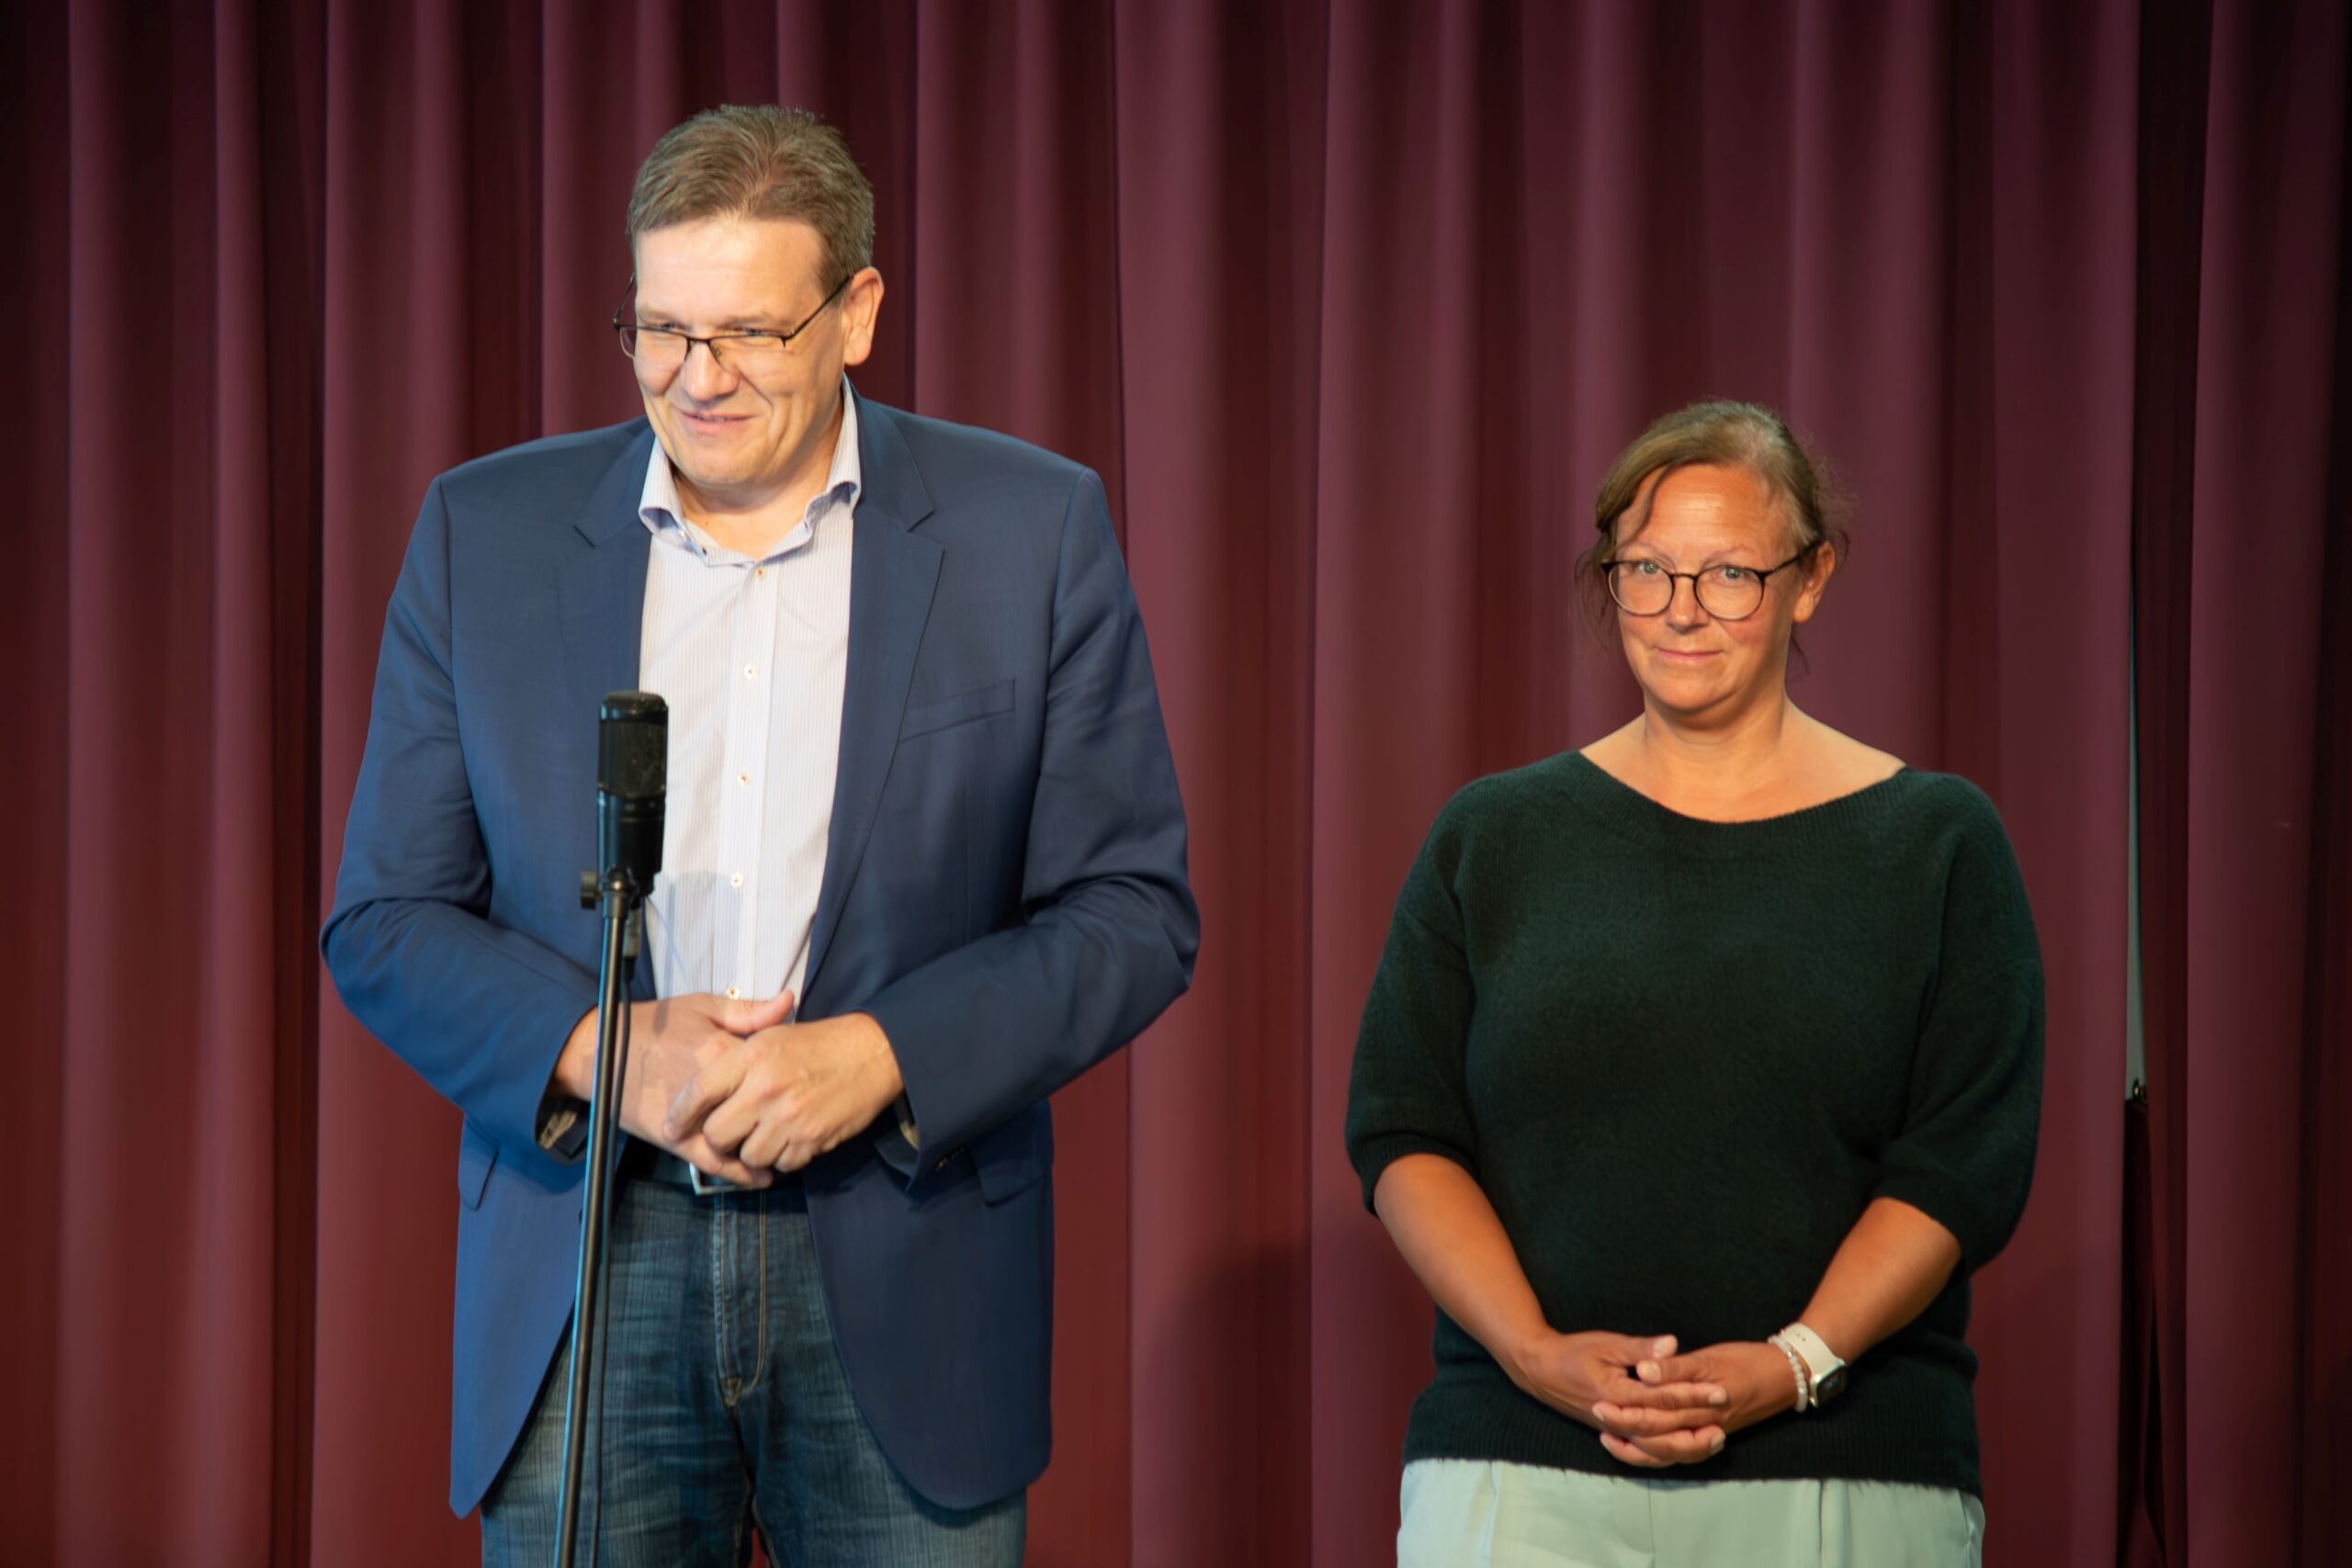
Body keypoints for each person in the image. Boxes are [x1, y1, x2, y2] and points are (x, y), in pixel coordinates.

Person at [322, 104, 1196, 1566]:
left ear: (857, 312)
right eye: (662, 330)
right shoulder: (485, 531)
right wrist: (612, 1049)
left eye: (747, 333)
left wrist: (881, 1052)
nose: (697, 377)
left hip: (906, 1243)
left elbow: (1132, 909)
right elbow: (385, 916)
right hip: (590, 1252)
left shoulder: (1030, 531)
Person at [1345, 400, 2042, 1567]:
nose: (1680, 610)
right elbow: (1402, 1127)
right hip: (1519, 1477)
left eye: (1727, 574)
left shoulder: (1937, 844)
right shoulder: (1493, 836)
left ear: (1809, 579)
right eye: (1646, 571)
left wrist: (1794, 1363)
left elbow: (1963, 1159)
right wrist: (1532, 1355)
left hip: (1842, 1473)